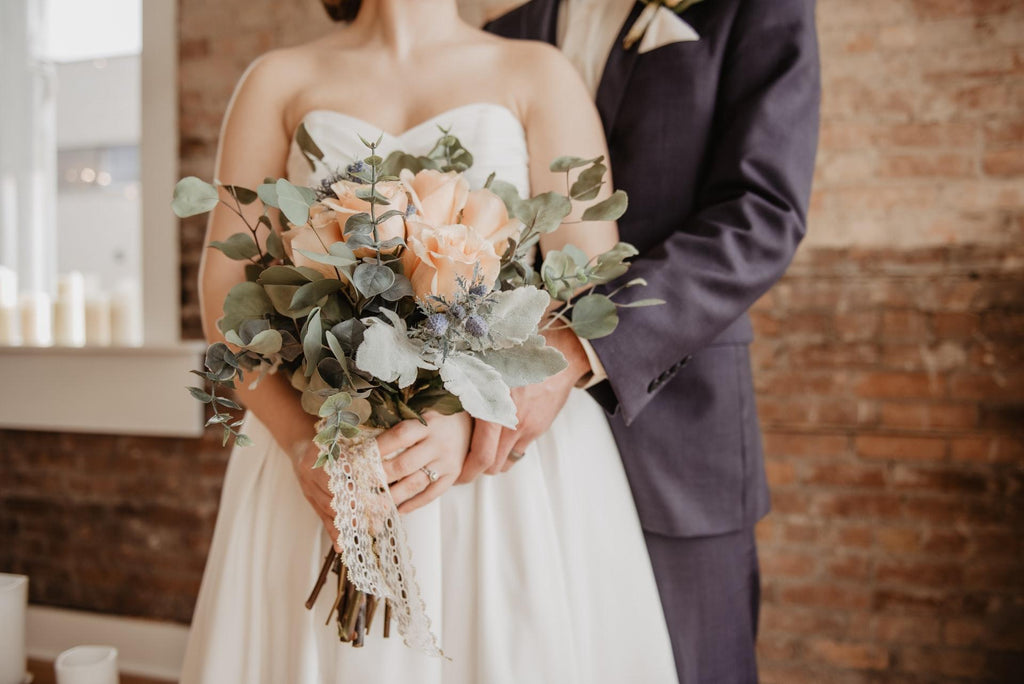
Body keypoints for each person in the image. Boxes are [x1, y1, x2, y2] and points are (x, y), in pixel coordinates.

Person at [180, 0, 677, 681]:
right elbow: (223, 295)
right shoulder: (277, 79)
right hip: (330, 445)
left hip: (500, 470)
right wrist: (303, 441)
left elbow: (587, 289)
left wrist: (463, 412)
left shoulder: (538, 73)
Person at [474, 1, 821, 682]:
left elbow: (762, 213)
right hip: (511, 461)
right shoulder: (504, 31)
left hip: (676, 434)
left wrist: (578, 346)